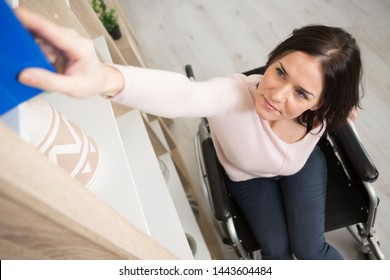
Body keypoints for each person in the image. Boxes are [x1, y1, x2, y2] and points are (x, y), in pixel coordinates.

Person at [16, 7, 362, 259]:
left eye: (302, 93)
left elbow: (342, 104)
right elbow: (186, 94)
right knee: (277, 251)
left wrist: (343, 107)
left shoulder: (324, 114)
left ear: (320, 103)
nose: (276, 94)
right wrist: (106, 78)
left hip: (300, 169)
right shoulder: (232, 95)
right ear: (272, 60)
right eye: (280, 72)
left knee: (310, 248)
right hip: (249, 179)